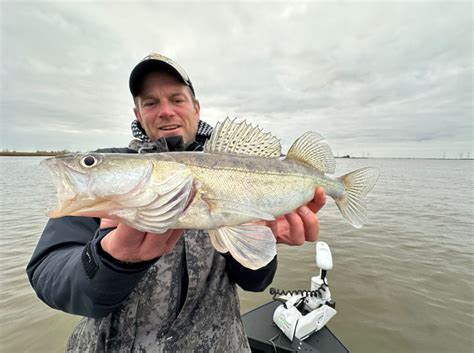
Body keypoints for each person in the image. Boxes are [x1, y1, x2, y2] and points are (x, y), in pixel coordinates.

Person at [27, 53, 326, 352]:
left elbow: (254, 282)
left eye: (177, 99)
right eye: (151, 102)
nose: (166, 111)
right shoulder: (102, 199)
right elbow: (48, 275)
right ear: (138, 115)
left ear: (196, 108)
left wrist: (266, 242)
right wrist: (109, 261)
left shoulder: (231, 164)